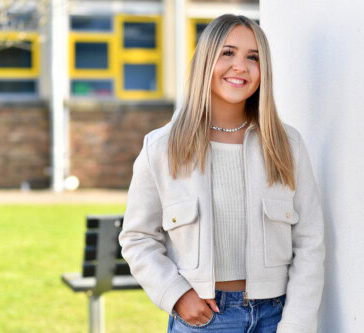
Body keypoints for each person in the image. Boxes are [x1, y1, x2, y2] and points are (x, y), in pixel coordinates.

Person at [119, 14, 325, 333]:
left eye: (253, 57)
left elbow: (310, 242)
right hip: (203, 319)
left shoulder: (287, 144)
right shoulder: (161, 147)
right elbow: (137, 238)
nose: (240, 66)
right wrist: (177, 295)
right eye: (227, 53)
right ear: (205, 62)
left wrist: (296, 324)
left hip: (276, 316)